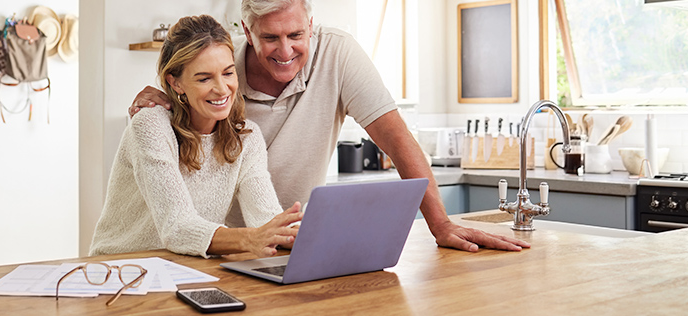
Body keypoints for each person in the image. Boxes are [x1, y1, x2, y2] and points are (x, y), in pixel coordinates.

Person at [131, 0, 531, 253]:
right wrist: (165, 103)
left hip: (268, 246)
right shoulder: (224, 66)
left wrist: (440, 225)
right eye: (270, 37)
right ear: (246, 31)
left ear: (311, 24)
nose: (285, 51)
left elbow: (396, 139)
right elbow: (175, 224)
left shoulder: (333, 57)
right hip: (206, 247)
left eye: (296, 34)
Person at [90, 14, 302, 259]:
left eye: (228, 73)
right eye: (204, 78)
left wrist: (314, 236)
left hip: (190, 269)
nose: (222, 89)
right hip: (119, 271)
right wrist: (250, 238)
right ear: (176, 83)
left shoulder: (247, 138)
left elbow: (266, 219)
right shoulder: (151, 126)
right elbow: (177, 227)